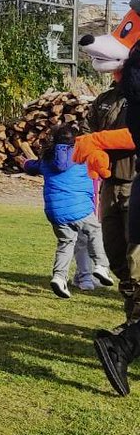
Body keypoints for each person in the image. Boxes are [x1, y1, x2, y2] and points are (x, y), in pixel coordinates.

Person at [19, 125, 113, 298]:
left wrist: (24, 162)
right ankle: (100, 266)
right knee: (95, 231)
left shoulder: (47, 158)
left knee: (66, 243)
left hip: (55, 212)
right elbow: (101, 169)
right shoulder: (83, 155)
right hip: (81, 209)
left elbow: (31, 167)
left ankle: (59, 277)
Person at [87, 68, 140, 321]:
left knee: (136, 253)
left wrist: (100, 140)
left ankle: (134, 321)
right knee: (113, 249)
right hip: (109, 183)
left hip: (134, 181)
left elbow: (131, 136)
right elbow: (89, 133)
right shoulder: (104, 100)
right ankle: (130, 305)